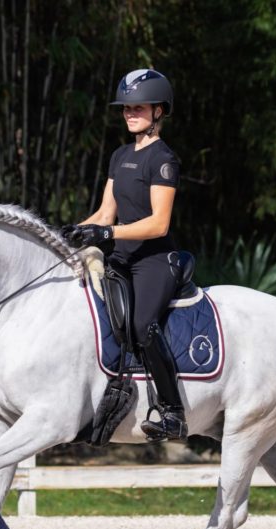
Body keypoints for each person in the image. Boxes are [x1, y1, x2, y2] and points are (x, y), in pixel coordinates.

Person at [67, 68, 187, 441]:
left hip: (155, 260)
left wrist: (108, 233)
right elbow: (105, 214)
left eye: (138, 107)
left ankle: (173, 412)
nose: (130, 113)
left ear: (159, 111)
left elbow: (158, 224)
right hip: (121, 257)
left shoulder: (164, 159)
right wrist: (66, 235)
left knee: (142, 326)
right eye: (125, 108)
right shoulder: (119, 155)